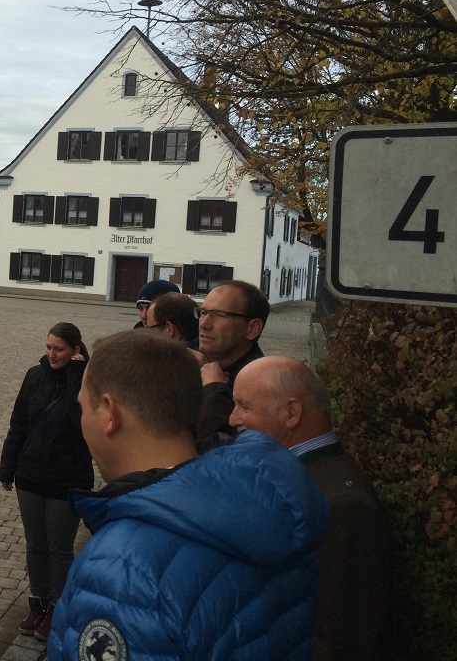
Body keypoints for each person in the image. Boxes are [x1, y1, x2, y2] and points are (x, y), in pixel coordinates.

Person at [48, 330, 329, 660]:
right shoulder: (270, 509)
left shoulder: (122, 569)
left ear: (110, 412)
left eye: (84, 407)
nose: (83, 420)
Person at [230, 356, 393, 661]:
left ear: (292, 413)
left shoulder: (343, 507)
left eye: (244, 406)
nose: (232, 419)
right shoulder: (305, 476)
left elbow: (339, 638)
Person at [0, 323, 94, 643]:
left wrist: (77, 375)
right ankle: (37, 602)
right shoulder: (34, 376)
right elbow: (18, 423)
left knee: (59, 548)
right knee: (35, 545)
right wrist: (7, 468)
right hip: (30, 475)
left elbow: (79, 423)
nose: (52, 354)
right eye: (49, 347)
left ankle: (58, 606)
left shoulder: (88, 382)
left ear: (75, 351)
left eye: (59, 349)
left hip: (67, 478)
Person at [193, 279, 269, 439]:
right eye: (203, 312)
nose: (204, 324)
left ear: (252, 328)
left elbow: (227, 448)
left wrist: (215, 389)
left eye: (220, 315)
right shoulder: (197, 366)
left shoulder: (260, 390)